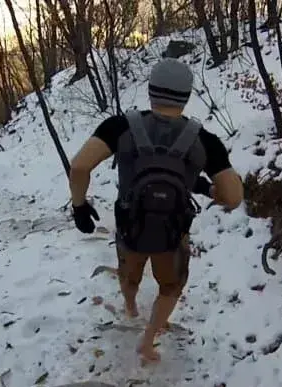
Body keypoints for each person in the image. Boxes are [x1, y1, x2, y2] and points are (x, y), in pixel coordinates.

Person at [68, 58, 244, 365]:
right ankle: (148, 339)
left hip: (130, 227)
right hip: (172, 234)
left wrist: (79, 206)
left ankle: (130, 306)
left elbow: (80, 166)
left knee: (129, 274)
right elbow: (233, 197)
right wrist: (206, 188)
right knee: (171, 286)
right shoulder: (205, 141)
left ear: (150, 90)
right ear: (187, 96)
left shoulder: (119, 126)